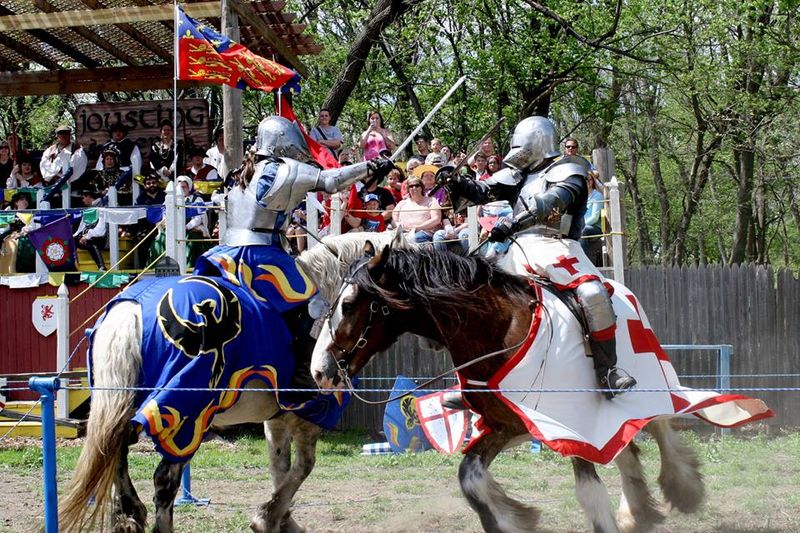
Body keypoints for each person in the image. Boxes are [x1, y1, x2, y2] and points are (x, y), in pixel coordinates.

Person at [445, 116, 636, 399]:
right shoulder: (519, 173)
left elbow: (552, 201)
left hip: (557, 245)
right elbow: (481, 192)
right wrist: (454, 181)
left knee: (592, 292)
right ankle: (472, 382)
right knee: (473, 295)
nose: (518, 151)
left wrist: (513, 223)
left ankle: (608, 371)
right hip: (517, 247)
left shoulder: (572, 167)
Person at [193, 114, 395, 311]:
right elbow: (330, 182)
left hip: (228, 251)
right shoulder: (282, 168)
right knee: (314, 301)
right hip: (261, 255)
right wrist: (370, 166)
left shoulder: (245, 171)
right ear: (281, 142)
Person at [40, 125, 88, 206]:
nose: (63, 136)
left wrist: (61, 173)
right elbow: (44, 166)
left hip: (72, 189)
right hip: (53, 188)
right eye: (61, 134)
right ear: (57, 136)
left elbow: (78, 167)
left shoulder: (77, 148)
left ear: (70, 135)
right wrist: (54, 173)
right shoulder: (50, 150)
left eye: (66, 134)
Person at [391, 175, 441, 243]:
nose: (414, 188)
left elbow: (436, 219)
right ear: (408, 189)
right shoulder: (402, 203)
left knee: (412, 239)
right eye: (411, 186)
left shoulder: (431, 201)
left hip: (424, 232)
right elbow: (394, 218)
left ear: (421, 187)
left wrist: (417, 228)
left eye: (417, 185)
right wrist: (398, 226)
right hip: (403, 232)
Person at [95, 122, 141, 190]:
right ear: (112, 133)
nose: (118, 133)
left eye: (120, 131)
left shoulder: (130, 145)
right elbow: (99, 166)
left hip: (126, 175)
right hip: (107, 177)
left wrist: (134, 177)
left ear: (124, 133)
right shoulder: (105, 147)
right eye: (115, 131)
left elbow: (137, 163)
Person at [74, 188, 107, 270]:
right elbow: (81, 227)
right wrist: (74, 236)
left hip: (99, 238)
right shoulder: (88, 210)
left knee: (91, 243)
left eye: (83, 197)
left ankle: (102, 267)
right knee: (70, 241)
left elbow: (100, 230)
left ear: (89, 197)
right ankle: (72, 267)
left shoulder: (101, 209)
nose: (83, 200)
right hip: (87, 236)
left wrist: (87, 236)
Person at [149, 119, 184, 183]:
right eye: (164, 130)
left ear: (172, 132)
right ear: (161, 132)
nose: (166, 132)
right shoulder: (155, 146)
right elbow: (153, 160)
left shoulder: (177, 146)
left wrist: (170, 171)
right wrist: (163, 170)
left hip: (173, 176)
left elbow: (178, 160)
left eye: (168, 130)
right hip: (158, 176)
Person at [581, 171, 604, 265]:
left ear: (592, 181)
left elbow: (594, 218)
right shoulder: (581, 197)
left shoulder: (597, 196)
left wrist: (580, 225)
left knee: (583, 231)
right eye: (584, 180)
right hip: (582, 225)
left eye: (588, 180)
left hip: (594, 227)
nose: (586, 182)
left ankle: (585, 262)